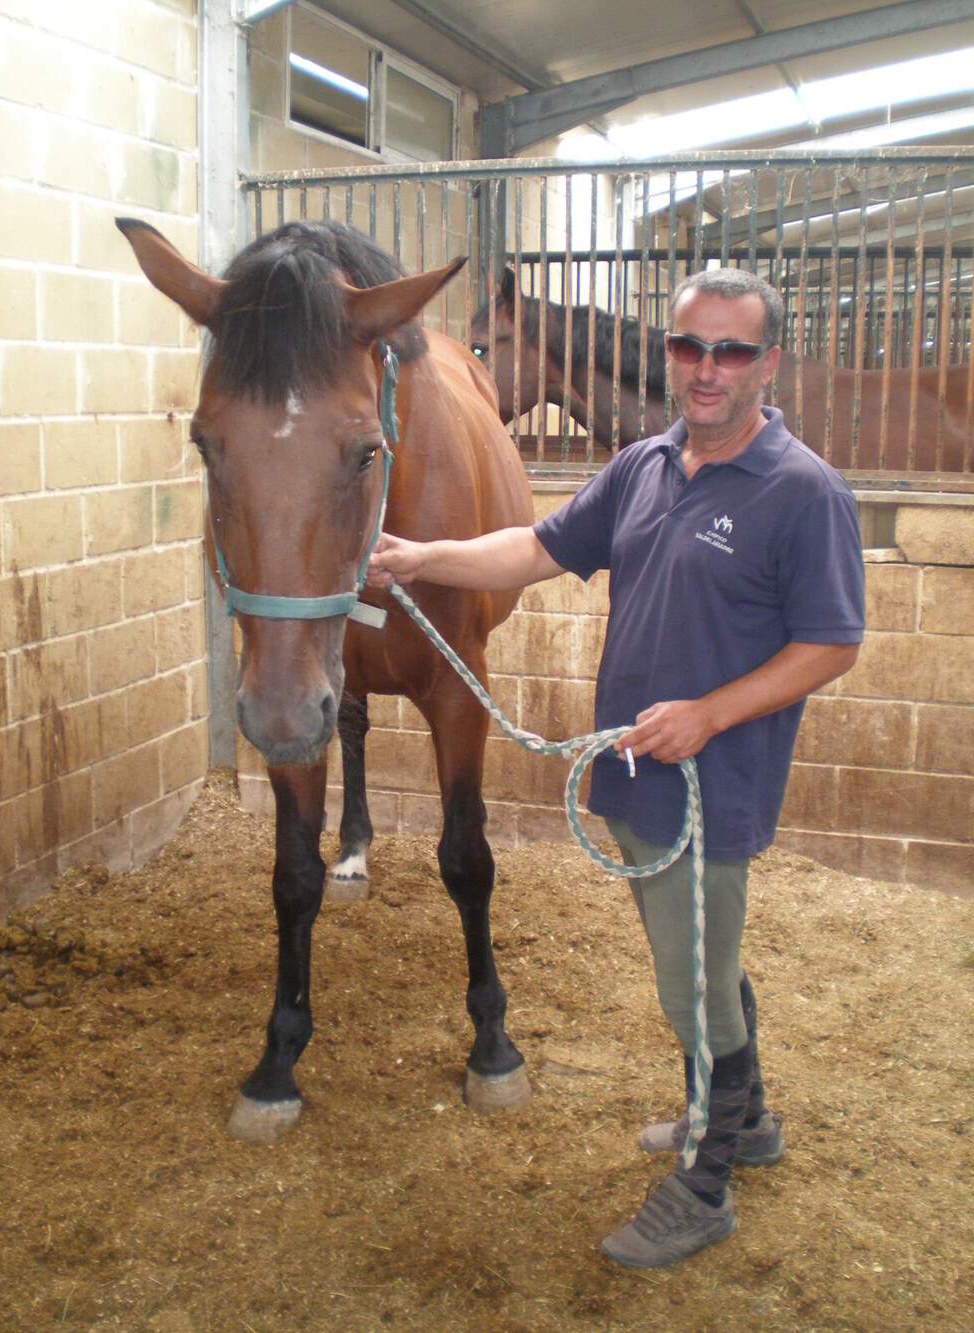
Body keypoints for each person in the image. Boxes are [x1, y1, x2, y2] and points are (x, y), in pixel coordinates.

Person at [367, 267, 865, 1269]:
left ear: (767, 361)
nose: (707, 369)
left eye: (731, 350)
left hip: (708, 782)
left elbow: (831, 641)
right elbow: (535, 547)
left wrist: (710, 714)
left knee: (692, 986)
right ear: (667, 352)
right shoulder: (644, 465)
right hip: (635, 772)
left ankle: (704, 1182)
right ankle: (748, 1118)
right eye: (689, 346)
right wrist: (419, 557)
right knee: (700, 955)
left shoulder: (800, 490)